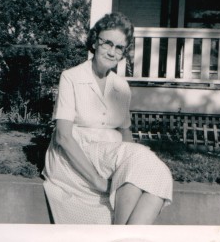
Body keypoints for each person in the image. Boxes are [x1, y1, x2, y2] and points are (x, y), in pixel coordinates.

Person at [42, 12, 173, 224]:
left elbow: (125, 132)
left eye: (119, 47)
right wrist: (97, 180)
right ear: (95, 42)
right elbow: (63, 137)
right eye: (107, 43)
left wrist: (131, 164)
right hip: (76, 157)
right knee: (145, 165)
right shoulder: (71, 77)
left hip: (109, 156)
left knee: (156, 175)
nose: (112, 52)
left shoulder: (121, 86)